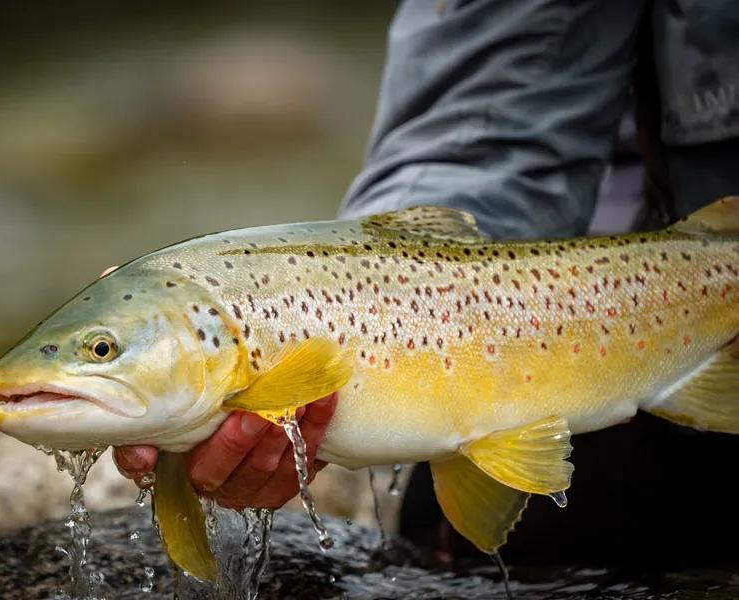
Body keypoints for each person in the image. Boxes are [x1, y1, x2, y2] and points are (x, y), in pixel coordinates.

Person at [115, 0, 739, 564]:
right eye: (105, 349)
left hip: (672, 282)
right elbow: (487, 129)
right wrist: (386, 273)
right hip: (662, 310)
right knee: (443, 536)